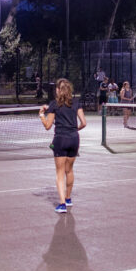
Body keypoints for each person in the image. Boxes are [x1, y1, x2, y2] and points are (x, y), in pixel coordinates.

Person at [39, 78, 87, 213]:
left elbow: (48, 126)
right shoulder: (76, 103)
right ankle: (68, 198)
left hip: (60, 140)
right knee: (69, 170)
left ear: (58, 90)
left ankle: (62, 205)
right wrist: (74, 130)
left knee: (60, 173)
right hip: (74, 139)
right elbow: (83, 123)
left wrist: (42, 115)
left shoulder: (54, 104)